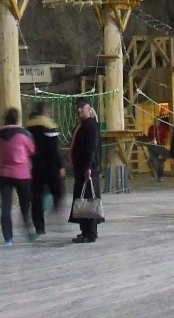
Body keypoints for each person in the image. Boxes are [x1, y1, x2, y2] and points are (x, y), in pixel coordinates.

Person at [0, 107, 36, 245]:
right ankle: (27, 231)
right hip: (22, 173)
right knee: (25, 205)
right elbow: (31, 150)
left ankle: (8, 237)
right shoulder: (24, 133)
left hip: (4, 174)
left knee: (5, 207)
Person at [25, 102, 65, 235]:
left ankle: (39, 226)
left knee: (36, 197)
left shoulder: (27, 127)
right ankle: (55, 210)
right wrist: (60, 166)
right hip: (50, 166)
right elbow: (54, 149)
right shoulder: (49, 126)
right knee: (58, 191)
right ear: (45, 111)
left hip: (34, 166)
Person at [68, 97, 102, 243]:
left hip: (88, 168)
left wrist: (88, 166)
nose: (79, 109)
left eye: (82, 107)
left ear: (89, 109)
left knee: (89, 199)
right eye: (77, 107)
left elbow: (91, 148)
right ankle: (85, 230)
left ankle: (91, 232)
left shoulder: (91, 125)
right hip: (81, 168)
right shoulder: (81, 125)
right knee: (83, 199)